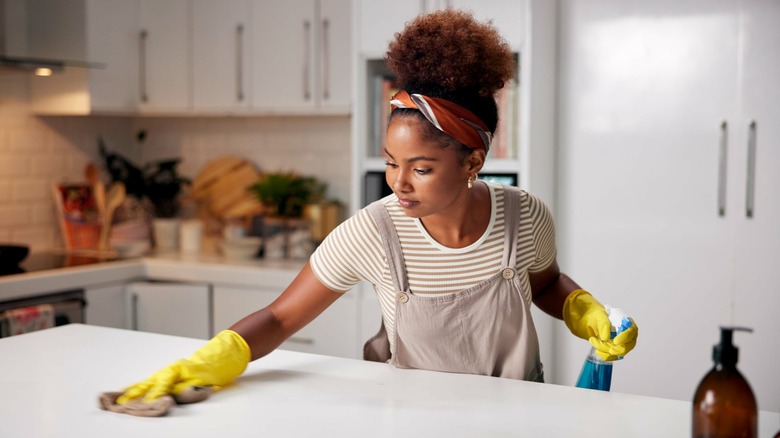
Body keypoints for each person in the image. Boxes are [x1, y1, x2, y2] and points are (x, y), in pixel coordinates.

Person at [113, 9, 638, 407]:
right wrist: (212, 359)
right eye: (390, 162)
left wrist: (585, 311)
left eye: (421, 168)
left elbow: (544, 284)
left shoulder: (524, 216)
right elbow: (279, 316)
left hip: (519, 415)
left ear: (473, 161)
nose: (398, 183)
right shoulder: (374, 231)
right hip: (412, 416)